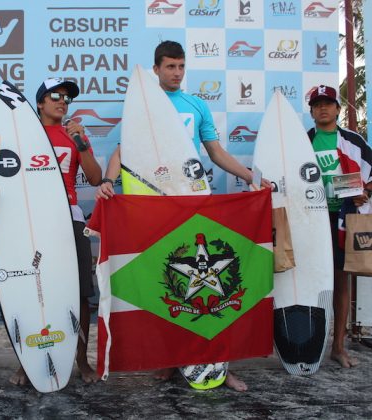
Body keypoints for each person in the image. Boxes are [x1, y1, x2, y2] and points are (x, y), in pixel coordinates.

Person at [95, 41, 270, 392]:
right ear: (156, 68)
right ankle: (172, 360)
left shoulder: (196, 105)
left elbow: (216, 151)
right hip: (156, 207)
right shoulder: (144, 106)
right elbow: (121, 151)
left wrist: (252, 178)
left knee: (214, 291)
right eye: (170, 67)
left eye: (181, 67)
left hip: (193, 203)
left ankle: (221, 365)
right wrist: (108, 181)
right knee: (170, 286)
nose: (176, 73)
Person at [10, 78, 102, 386]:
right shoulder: (23, 133)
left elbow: (94, 177)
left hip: (69, 219)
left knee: (79, 293)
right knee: (31, 293)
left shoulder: (74, 135)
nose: (62, 101)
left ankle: (81, 360)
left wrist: (82, 142)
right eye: (55, 96)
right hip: (30, 222)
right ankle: (29, 362)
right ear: (39, 103)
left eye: (67, 98)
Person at [306, 85, 372, 368]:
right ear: (311, 111)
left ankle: (338, 346)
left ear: (338, 109)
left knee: (341, 281)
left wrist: (366, 192)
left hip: (342, 218)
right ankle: (307, 345)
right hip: (310, 218)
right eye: (317, 104)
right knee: (309, 282)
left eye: (328, 103)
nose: (323, 108)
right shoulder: (302, 141)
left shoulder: (353, 141)